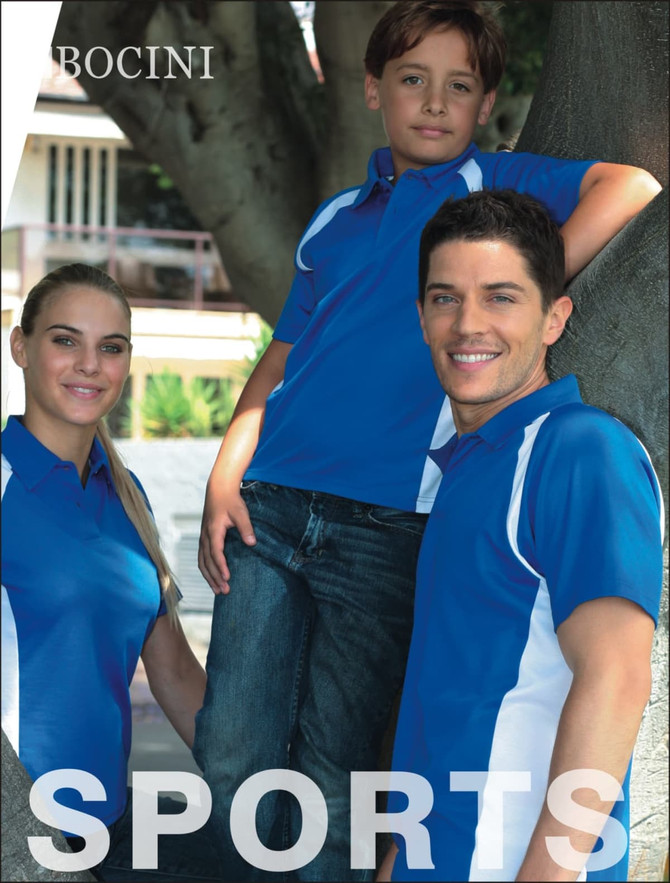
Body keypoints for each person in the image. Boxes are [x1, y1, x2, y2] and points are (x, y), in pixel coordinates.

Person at [194, 2, 662, 879]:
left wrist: (512, 291)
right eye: (413, 81)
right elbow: (283, 359)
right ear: (372, 90)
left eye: (460, 87)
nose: (436, 103)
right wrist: (228, 467)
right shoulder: (334, 219)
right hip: (273, 501)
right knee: (230, 755)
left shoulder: (491, 188)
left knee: (335, 762)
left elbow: (632, 184)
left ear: (486, 105)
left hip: (384, 522)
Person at [377, 190, 663, 882]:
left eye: (501, 297)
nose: (467, 323)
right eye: (445, 298)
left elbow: (617, 675)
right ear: (420, 318)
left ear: (554, 317)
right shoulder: (464, 469)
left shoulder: (578, 449)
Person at [1, 263, 220, 881]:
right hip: (19, 833)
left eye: (111, 348)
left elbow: (174, 672)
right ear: (22, 347)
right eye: (65, 340)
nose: (90, 365)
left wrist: (263, 784)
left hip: (109, 830)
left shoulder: (129, 499)